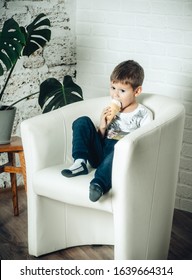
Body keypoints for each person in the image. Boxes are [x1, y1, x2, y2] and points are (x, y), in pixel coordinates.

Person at [61, 60, 153, 202]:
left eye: (122, 90)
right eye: (113, 88)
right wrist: (102, 127)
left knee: (117, 147)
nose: (115, 95)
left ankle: (99, 184)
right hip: (101, 152)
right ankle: (80, 162)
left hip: (118, 156)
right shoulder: (111, 109)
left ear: (137, 91)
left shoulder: (143, 114)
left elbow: (145, 143)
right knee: (82, 121)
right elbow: (101, 139)